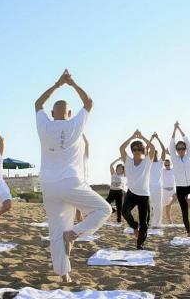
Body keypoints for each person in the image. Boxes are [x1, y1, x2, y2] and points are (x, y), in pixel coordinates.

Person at [35, 69, 111, 282]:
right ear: (69, 114)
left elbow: (37, 104)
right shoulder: (74, 124)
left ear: (52, 113)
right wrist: (73, 83)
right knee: (104, 209)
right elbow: (89, 102)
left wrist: (58, 84)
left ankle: (64, 275)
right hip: (70, 183)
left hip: (48, 186)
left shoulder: (45, 126)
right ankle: (75, 233)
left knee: (56, 231)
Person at [120, 130, 155, 250]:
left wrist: (143, 137)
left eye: (139, 149)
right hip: (131, 193)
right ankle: (134, 226)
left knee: (144, 223)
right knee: (124, 211)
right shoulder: (128, 161)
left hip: (144, 195)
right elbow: (121, 148)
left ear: (143, 151)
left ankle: (140, 244)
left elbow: (153, 148)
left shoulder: (147, 161)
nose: (136, 151)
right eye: (134, 149)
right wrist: (131, 137)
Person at [149, 132, 166, 228]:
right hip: (148, 187)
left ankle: (157, 223)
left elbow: (163, 150)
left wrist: (158, 138)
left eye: (155, 153)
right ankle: (148, 222)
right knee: (148, 206)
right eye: (152, 153)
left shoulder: (160, 162)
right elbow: (146, 148)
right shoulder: (147, 162)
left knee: (158, 206)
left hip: (158, 187)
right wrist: (151, 139)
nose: (154, 155)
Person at [106, 157, 126, 223]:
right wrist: (117, 159)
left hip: (119, 192)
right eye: (118, 168)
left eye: (121, 169)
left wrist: (124, 161)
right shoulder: (113, 173)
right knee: (105, 203)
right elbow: (111, 165)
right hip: (112, 192)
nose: (119, 169)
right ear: (116, 169)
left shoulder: (123, 175)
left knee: (119, 207)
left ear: (123, 170)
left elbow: (128, 167)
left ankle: (119, 221)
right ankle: (113, 210)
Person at [75, 134, 89, 223]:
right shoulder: (72, 160)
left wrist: (82, 134)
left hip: (84, 185)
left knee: (81, 207)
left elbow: (87, 145)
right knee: (78, 208)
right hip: (76, 185)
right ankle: (81, 225)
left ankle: (82, 224)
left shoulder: (84, 158)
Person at [162, 157, 177, 224]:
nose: (167, 166)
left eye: (168, 165)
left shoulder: (173, 170)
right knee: (163, 207)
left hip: (172, 190)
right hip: (164, 190)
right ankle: (169, 221)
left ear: (170, 164)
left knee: (175, 198)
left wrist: (169, 153)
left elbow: (176, 161)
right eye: (165, 165)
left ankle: (169, 205)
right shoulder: (162, 170)